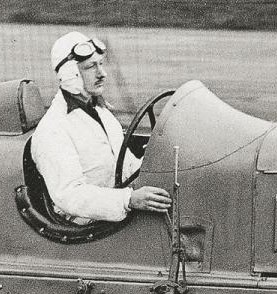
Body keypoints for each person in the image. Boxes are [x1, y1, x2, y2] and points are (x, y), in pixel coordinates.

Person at [30, 31, 172, 223]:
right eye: (91, 67)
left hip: (118, 212)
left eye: (101, 64)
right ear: (71, 74)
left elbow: (126, 166)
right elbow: (70, 195)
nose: (102, 74)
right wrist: (129, 199)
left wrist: (160, 161)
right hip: (87, 226)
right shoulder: (53, 130)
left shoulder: (101, 111)